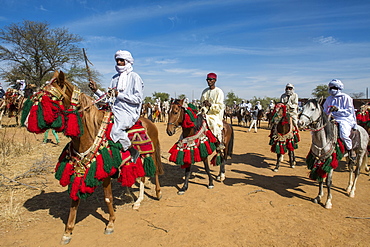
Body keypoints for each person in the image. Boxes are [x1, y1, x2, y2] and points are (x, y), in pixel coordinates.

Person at [89, 50, 143, 162]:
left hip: (129, 111)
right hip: (114, 109)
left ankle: (132, 150)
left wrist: (120, 95)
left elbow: (138, 99)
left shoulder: (134, 77)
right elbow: (109, 97)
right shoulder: (114, 78)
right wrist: (96, 90)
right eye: (117, 60)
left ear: (127, 61)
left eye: (121, 60)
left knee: (115, 131)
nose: (118, 62)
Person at [323, 79, 358, 161]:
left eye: (334, 87)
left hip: (344, 119)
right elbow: (325, 110)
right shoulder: (329, 99)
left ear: (338, 88)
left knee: (343, 134)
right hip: (331, 118)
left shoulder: (346, 97)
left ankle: (350, 150)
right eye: (331, 87)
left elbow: (349, 111)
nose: (332, 89)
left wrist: (337, 110)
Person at [200, 72, 225, 150]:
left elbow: (220, 106)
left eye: (210, 80)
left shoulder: (219, 92)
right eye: (207, 80)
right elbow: (201, 102)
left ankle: (219, 141)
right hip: (205, 112)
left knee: (213, 124)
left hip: (215, 114)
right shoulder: (205, 91)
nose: (208, 81)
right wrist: (203, 104)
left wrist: (210, 105)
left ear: (215, 80)